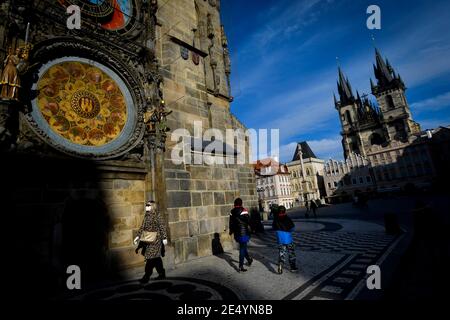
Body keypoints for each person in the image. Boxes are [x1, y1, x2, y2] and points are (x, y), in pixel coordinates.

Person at [134, 201, 168, 283]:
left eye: (148, 205)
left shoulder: (157, 215)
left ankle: (146, 276)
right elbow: (142, 227)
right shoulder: (146, 215)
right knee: (156, 258)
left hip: (156, 240)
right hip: (148, 239)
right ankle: (162, 273)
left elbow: (162, 227)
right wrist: (137, 236)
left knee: (150, 258)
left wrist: (164, 237)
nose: (146, 206)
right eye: (146, 205)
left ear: (152, 206)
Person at [229, 198, 253, 272]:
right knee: (242, 248)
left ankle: (249, 260)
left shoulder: (232, 212)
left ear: (235, 204)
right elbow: (249, 221)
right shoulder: (244, 210)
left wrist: (231, 231)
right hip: (244, 233)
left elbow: (231, 223)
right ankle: (241, 266)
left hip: (237, 233)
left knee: (243, 246)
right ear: (241, 203)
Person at [273, 206, 298, 274]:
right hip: (288, 239)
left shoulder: (276, 219)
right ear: (284, 211)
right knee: (291, 253)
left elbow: (273, 227)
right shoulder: (287, 218)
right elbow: (292, 228)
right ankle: (293, 267)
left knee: (281, 253)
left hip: (280, 239)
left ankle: (280, 265)